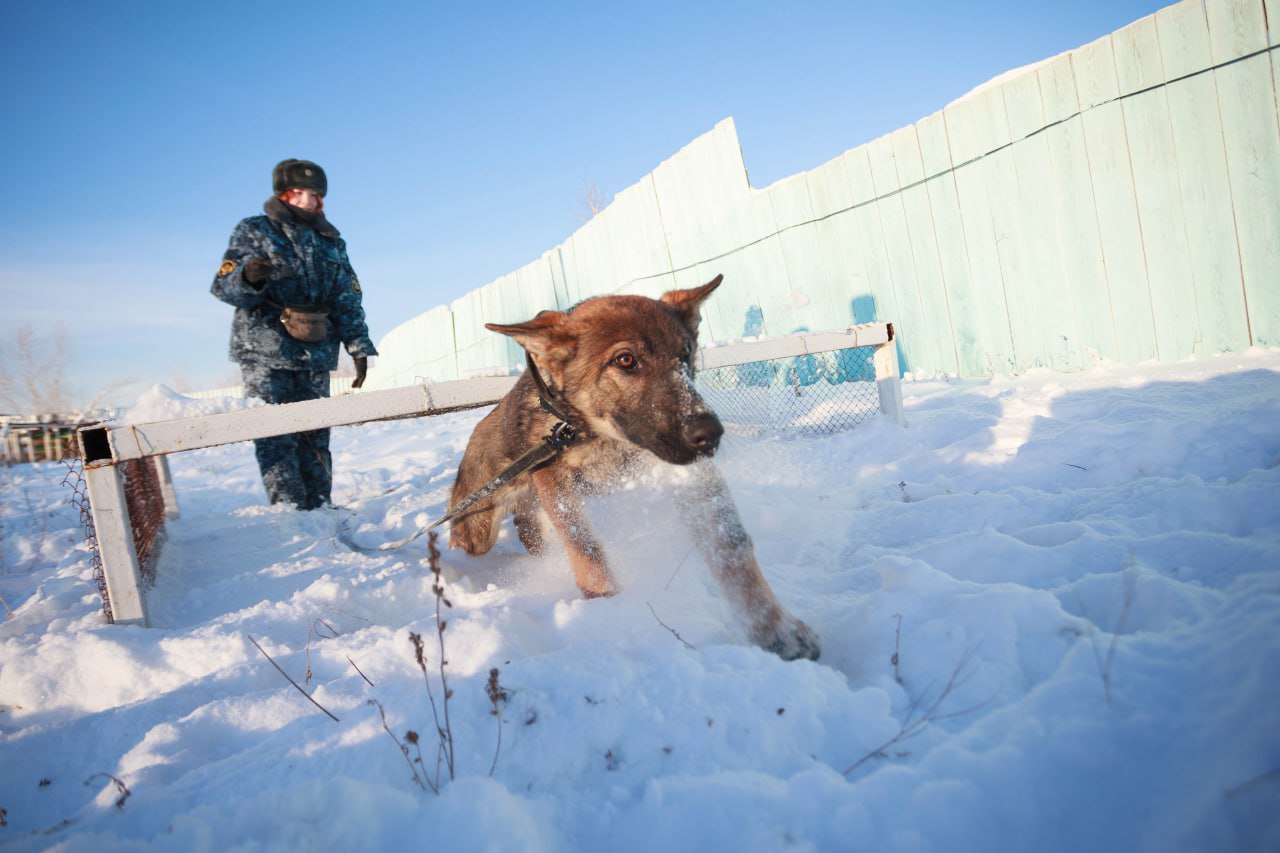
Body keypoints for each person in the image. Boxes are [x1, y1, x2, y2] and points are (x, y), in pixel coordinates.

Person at [211, 158, 378, 510]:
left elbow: (346, 297)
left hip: (314, 351)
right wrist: (248, 277)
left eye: (317, 194)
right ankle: (290, 516)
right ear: (285, 194)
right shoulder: (254, 230)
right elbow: (223, 287)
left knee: (316, 435)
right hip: (264, 354)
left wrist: (358, 346)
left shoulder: (331, 242)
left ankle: (320, 510)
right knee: (275, 436)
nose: (313, 201)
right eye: (304, 193)